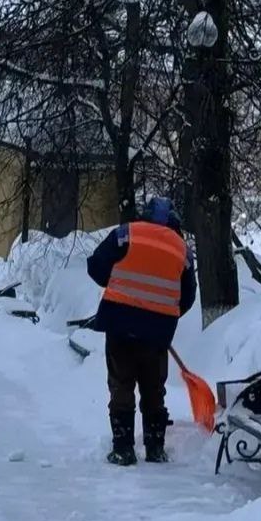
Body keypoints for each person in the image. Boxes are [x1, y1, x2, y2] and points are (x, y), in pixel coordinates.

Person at [86, 196, 196, 465]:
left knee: (121, 385)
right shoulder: (182, 250)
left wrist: (117, 283)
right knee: (154, 388)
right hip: (157, 332)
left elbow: (96, 266)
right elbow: (188, 297)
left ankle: (123, 449)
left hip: (119, 323)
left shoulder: (126, 234)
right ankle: (155, 449)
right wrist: (164, 311)